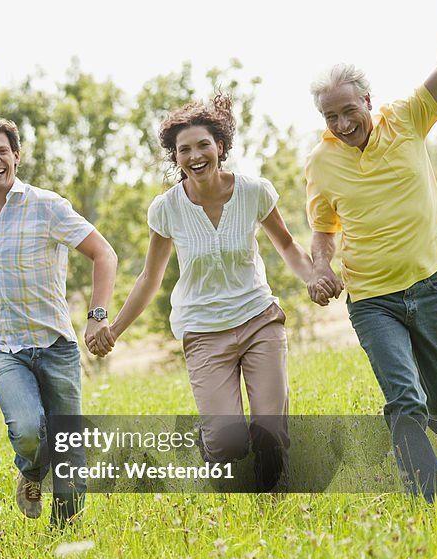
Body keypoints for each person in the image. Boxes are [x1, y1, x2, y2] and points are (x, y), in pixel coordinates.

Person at [107, 95, 328, 492]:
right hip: (204, 332)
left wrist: (313, 277)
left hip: (258, 318)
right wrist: (115, 329)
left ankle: (271, 504)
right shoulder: (166, 209)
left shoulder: (253, 191)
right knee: (226, 445)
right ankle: (211, 444)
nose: (195, 155)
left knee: (269, 431)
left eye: (202, 145)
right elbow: (148, 278)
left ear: (220, 147)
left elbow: (289, 246)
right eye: (184, 149)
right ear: (175, 157)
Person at [305, 2, 437, 501]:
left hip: (428, 287)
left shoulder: (408, 118)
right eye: (331, 116)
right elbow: (322, 231)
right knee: (402, 398)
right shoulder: (321, 164)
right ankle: (430, 500)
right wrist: (320, 268)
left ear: (368, 99)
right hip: (372, 300)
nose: (343, 123)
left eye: (349, 110)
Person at [0, 118, 117, 526]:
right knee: (28, 430)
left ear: (16, 156)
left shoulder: (47, 205)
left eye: (1, 152)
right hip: (1, 345)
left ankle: (66, 535)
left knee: (69, 448)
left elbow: (104, 254)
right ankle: (30, 471)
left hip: (54, 341)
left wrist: (97, 316)